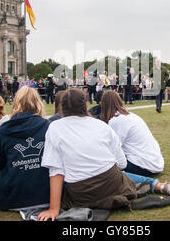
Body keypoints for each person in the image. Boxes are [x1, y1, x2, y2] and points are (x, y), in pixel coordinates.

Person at [37, 88, 137, 221]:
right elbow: (122, 163)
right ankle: (147, 187)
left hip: (81, 192)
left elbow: (56, 170)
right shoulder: (102, 126)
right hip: (112, 182)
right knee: (125, 179)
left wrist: (53, 209)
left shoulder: (55, 127)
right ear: (86, 104)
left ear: (61, 107)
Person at [0, 86, 50, 211]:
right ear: (37, 103)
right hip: (45, 195)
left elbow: (0, 163)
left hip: (13, 197)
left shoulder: (4, 129)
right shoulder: (47, 126)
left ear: (16, 104)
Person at [100, 90, 165, 176]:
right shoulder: (130, 115)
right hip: (154, 162)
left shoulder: (116, 120)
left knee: (104, 167)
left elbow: (114, 148)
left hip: (142, 165)